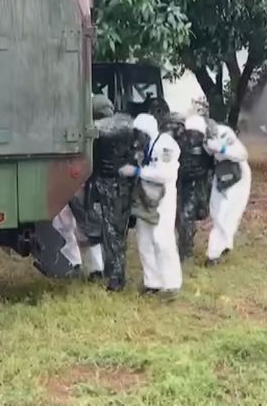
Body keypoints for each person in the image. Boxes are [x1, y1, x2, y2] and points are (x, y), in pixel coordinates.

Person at [119, 113, 183, 299]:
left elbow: (165, 174)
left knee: (162, 239)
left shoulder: (165, 145)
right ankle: (152, 282)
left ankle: (171, 284)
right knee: (144, 240)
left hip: (163, 198)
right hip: (145, 197)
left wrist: (138, 171)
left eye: (140, 133)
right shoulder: (145, 146)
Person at [89, 95, 141, 291]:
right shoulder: (130, 122)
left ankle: (116, 278)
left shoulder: (97, 128)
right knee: (120, 231)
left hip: (106, 184)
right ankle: (114, 272)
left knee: (110, 233)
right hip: (127, 184)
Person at [204, 122, 252, 266]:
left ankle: (213, 253)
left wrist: (221, 148)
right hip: (221, 173)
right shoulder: (199, 139)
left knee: (228, 211)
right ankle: (224, 243)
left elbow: (242, 154)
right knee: (217, 211)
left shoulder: (224, 133)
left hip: (237, 174)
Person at [175, 114, 214, 261]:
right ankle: (186, 250)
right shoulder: (205, 141)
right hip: (197, 183)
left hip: (187, 183)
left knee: (186, 217)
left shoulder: (181, 140)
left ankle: (185, 251)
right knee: (188, 216)